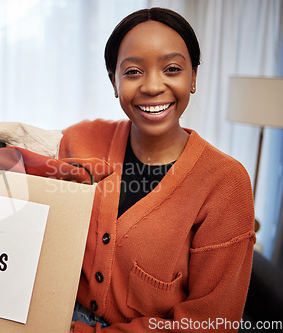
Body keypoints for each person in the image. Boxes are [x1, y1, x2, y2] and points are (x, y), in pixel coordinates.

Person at [62, 7, 256, 333]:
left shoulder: (225, 183)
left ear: (193, 77)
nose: (153, 86)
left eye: (172, 69)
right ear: (114, 82)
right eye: (133, 72)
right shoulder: (78, 140)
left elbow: (209, 324)